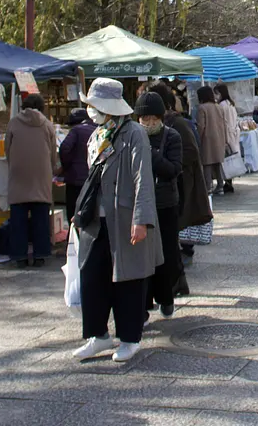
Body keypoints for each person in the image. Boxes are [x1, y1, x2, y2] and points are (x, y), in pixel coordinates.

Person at [72, 78, 163, 363]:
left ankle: (130, 337)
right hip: (96, 220)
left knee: (128, 280)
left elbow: (142, 178)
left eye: (95, 106)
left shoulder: (133, 133)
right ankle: (97, 335)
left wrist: (141, 219)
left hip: (124, 218)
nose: (92, 111)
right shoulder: (97, 135)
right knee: (93, 277)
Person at [148, 82, 209, 281]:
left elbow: (191, 151)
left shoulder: (177, 124)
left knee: (174, 230)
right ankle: (176, 278)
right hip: (170, 184)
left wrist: (171, 165)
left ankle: (177, 277)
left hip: (181, 184)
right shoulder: (161, 125)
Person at [133, 92, 183, 318]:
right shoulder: (132, 137)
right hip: (138, 205)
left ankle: (166, 297)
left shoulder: (171, 137)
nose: (149, 124)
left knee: (166, 254)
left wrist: (150, 153)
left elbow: (173, 169)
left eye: (154, 119)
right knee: (139, 255)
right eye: (145, 120)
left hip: (164, 204)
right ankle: (142, 303)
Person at [5, 94, 60, 267]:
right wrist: (52, 168)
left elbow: (8, 149)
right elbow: (53, 153)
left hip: (19, 174)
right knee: (41, 218)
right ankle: (40, 255)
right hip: (41, 174)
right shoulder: (47, 124)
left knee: (18, 219)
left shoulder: (13, 123)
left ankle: (19, 256)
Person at [59, 108, 96, 223]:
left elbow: (64, 148)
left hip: (75, 181)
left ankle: (73, 239)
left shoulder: (76, 130)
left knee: (73, 215)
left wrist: (66, 166)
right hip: (93, 181)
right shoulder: (98, 130)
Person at [196, 85, 228, 196]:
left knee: (207, 164)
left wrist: (197, 138)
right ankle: (220, 185)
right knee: (217, 163)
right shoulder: (218, 107)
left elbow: (201, 126)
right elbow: (224, 123)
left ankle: (208, 187)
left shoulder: (202, 108)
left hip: (207, 138)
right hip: (219, 137)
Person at [215, 83, 240, 194]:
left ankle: (226, 183)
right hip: (233, 134)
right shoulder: (231, 104)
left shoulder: (222, 106)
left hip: (226, 134)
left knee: (225, 160)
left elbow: (222, 123)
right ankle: (229, 182)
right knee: (230, 159)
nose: (215, 96)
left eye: (216, 93)